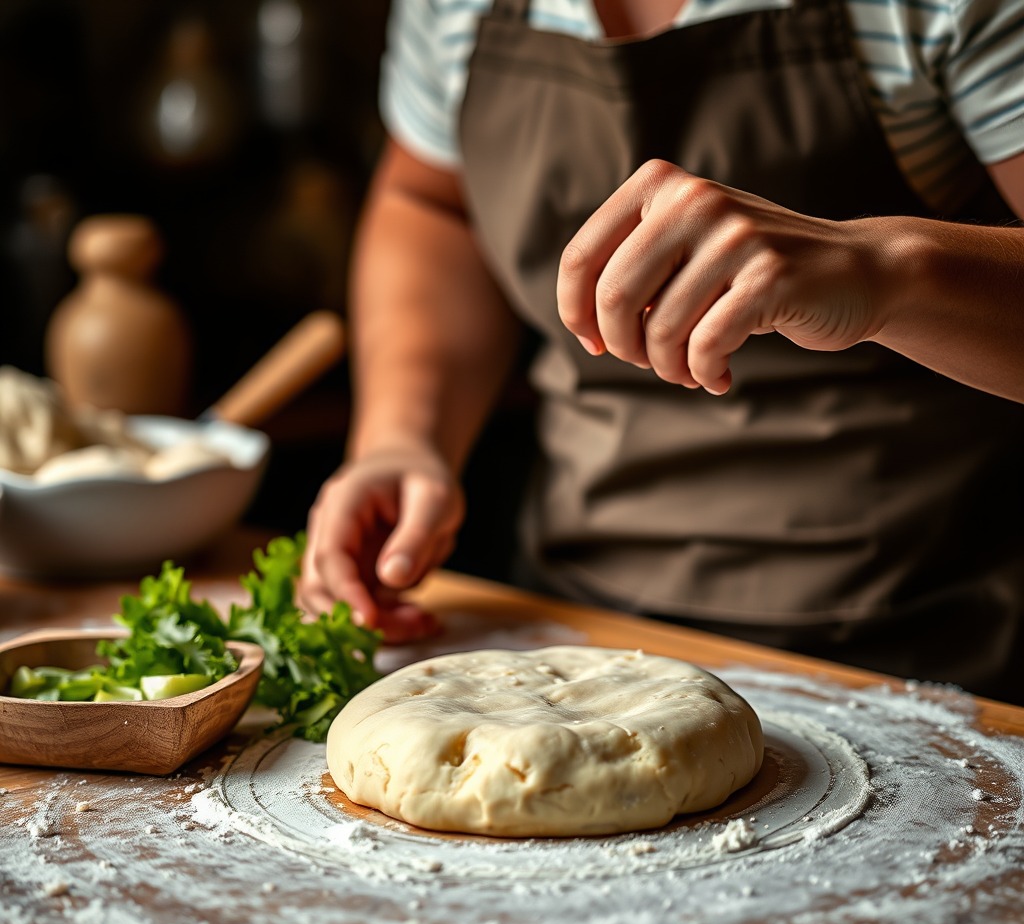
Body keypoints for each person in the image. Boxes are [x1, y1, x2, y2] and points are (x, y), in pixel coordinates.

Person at [298, 0, 1024, 698]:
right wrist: (402, 437)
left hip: (928, 637)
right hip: (574, 624)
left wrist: (882, 268)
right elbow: (432, 202)